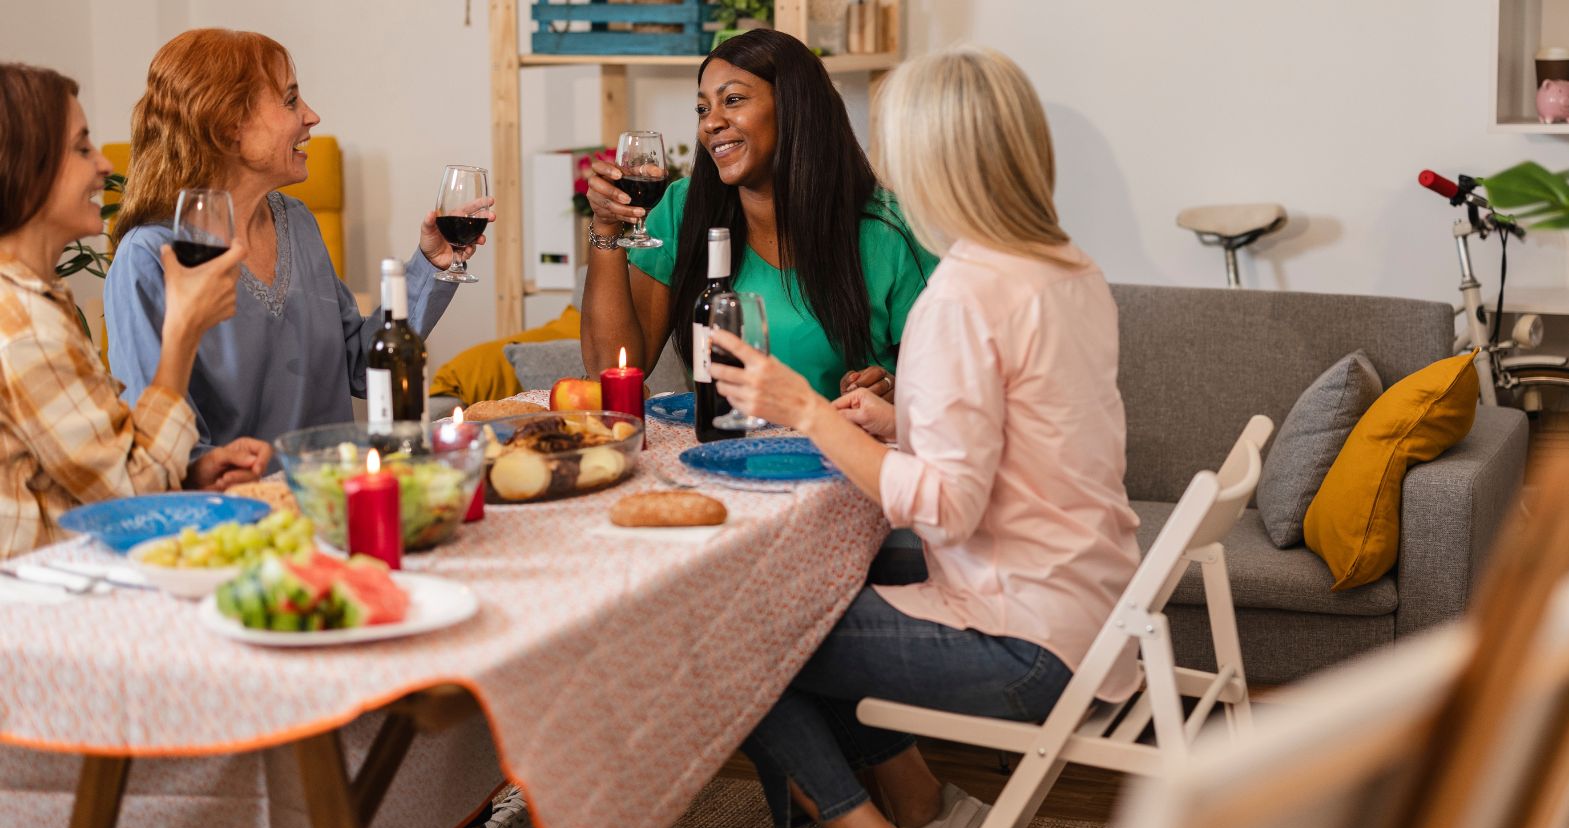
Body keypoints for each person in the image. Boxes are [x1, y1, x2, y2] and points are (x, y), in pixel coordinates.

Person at [706, 48, 1142, 828]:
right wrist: (904, 421)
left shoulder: (962, 295)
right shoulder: (1066, 269)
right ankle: (925, 809)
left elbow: (944, 507)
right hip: (1099, 612)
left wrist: (809, 412)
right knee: (836, 570)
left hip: (1029, 647)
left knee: (727, 633)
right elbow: (1036, 434)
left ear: (932, 159)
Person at [104, 29, 493, 457]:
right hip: (238, 514)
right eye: (290, 101)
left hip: (331, 495)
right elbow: (153, 444)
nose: (311, 115)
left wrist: (430, 264)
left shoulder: (297, 221)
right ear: (229, 123)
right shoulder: (148, 258)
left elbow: (362, 365)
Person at [0, 62, 269, 560]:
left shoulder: (37, 301)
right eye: (82, 148)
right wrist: (183, 332)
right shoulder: (24, 325)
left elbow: (100, 464)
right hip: (40, 605)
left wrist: (188, 471)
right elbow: (133, 496)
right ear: (26, 168)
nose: (103, 165)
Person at [579, 28, 936, 400]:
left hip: (840, 450)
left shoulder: (890, 228)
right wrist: (606, 226)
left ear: (794, 106)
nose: (710, 123)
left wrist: (890, 388)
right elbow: (611, 371)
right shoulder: (682, 209)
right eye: (703, 109)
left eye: (732, 100)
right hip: (717, 449)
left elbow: (945, 386)